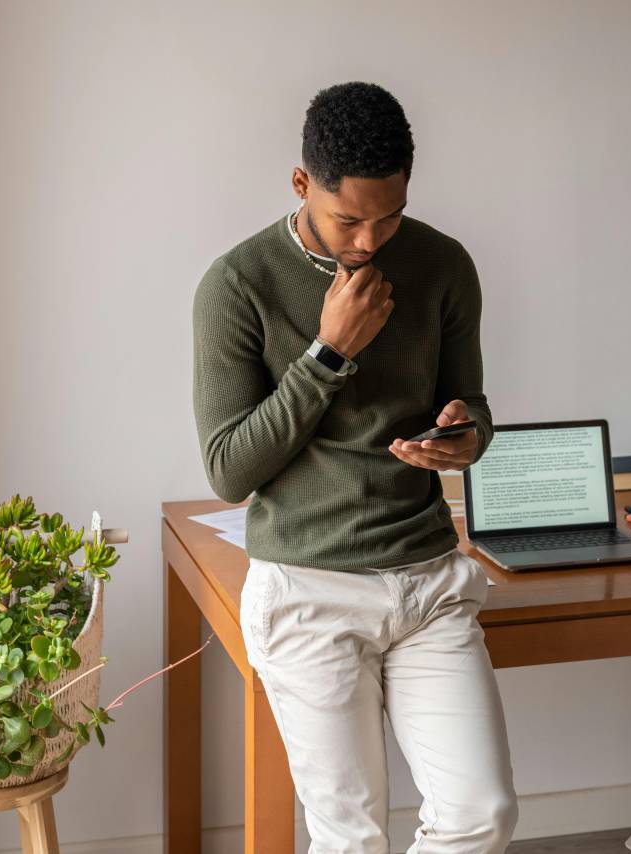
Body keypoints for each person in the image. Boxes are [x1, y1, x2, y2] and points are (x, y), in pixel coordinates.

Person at [192, 80, 518, 853]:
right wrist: (329, 350)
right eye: (349, 219)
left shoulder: (443, 266)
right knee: (351, 839)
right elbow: (228, 468)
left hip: (429, 578)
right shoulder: (237, 286)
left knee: (483, 814)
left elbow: (469, 403)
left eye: (390, 215)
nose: (370, 239)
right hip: (309, 589)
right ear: (302, 184)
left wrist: (465, 436)